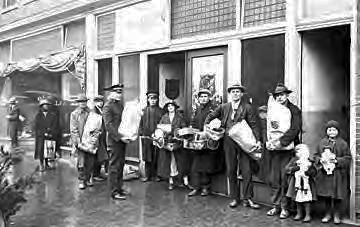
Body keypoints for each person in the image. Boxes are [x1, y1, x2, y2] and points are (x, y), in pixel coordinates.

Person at [204, 83, 260, 209]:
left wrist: (257, 140)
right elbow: (210, 116)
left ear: (241, 94)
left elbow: (254, 124)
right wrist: (208, 127)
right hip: (228, 142)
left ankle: (248, 198)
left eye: (238, 92)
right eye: (233, 91)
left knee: (247, 170)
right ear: (230, 94)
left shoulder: (247, 107)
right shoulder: (224, 107)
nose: (235, 93)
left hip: (244, 142)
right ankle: (234, 198)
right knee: (231, 170)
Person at [266, 83, 302, 219]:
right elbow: (268, 128)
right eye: (277, 96)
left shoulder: (294, 110)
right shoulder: (272, 110)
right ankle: (275, 205)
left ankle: (285, 208)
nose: (279, 98)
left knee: (285, 178)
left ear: (286, 95)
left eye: (281, 95)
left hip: (288, 150)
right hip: (275, 151)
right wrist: (269, 142)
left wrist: (282, 142)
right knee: (274, 178)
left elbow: (295, 128)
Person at [314, 120, 351, 224]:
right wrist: (320, 160)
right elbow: (315, 155)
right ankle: (327, 214)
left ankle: (336, 215)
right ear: (326, 131)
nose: (331, 132)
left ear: (338, 131)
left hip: (337, 174)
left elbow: (348, 158)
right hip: (325, 175)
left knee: (337, 196)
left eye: (334, 130)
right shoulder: (321, 143)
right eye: (329, 130)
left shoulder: (343, 144)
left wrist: (336, 161)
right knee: (327, 195)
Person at [103, 84, 131, 200]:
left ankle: (119, 187)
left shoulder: (119, 105)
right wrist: (119, 137)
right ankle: (114, 191)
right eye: (117, 92)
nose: (119, 94)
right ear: (111, 93)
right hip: (114, 140)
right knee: (114, 166)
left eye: (120, 92)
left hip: (122, 139)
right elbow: (108, 125)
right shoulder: (108, 106)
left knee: (121, 165)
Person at [188, 89, 218, 197]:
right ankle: (196, 187)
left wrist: (207, 133)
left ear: (209, 98)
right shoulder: (197, 110)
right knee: (196, 165)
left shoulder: (213, 110)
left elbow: (216, 124)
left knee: (206, 165)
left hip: (208, 140)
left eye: (205, 96)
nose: (203, 98)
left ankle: (206, 188)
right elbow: (194, 123)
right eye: (201, 97)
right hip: (197, 140)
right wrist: (191, 130)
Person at [157, 100, 187, 190]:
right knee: (169, 162)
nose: (170, 108)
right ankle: (171, 181)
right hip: (167, 142)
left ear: (175, 107)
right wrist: (162, 134)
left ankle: (180, 180)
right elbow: (160, 128)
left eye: (172, 106)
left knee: (179, 161)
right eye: (168, 106)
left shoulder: (180, 117)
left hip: (177, 142)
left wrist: (179, 133)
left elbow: (184, 127)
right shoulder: (164, 117)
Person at [285, 144, 317, 223]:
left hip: (307, 183)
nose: (298, 154)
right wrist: (294, 169)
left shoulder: (309, 162)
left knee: (307, 199)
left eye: (300, 152)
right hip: (296, 183)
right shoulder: (294, 161)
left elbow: (314, 171)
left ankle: (307, 214)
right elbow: (287, 169)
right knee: (297, 198)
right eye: (297, 152)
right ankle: (299, 213)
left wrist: (309, 172)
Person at [138, 91, 163, 182]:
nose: (153, 101)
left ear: (157, 100)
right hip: (146, 137)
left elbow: (162, 124)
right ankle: (147, 175)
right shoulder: (144, 111)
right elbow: (140, 123)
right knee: (147, 157)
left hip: (156, 137)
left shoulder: (160, 111)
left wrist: (159, 134)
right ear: (148, 99)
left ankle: (155, 175)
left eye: (154, 99)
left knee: (156, 156)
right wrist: (141, 132)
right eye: (151, 99)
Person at [70, 94, 93, 190]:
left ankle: (88, 178)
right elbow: (73, 129)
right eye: (80, 102)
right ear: (78, 103)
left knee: (90, 161)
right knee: (81, 162)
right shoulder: (75, 114)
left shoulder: (91, 113)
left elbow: (96, 125)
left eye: (84, 101)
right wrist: (77, 141)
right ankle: (81, 180)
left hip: (90, 140)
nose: (82, 103)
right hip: (80, 141)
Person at [34, 98, 60, 171]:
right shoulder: (38, 116)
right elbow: (37, 127)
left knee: (48, 150)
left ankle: (47, 164)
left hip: (50, 135)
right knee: (41, 150)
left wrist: (51, 132)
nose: (46, 106)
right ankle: (41, 164)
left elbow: (55, 125)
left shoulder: (53, 115)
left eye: (47, 105)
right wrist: (43, 133)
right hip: (41, 136)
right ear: (41, 106)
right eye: (45, 105)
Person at [92, 95, 108, 182]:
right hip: (97, 135)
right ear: (95, 102)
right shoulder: (94, 111)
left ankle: (97, 173)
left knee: (101, 153)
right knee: (96, 154)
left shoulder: (102, 110)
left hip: (103, 135)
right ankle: (95, 174)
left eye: (101, 101)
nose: (100, 103)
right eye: (98, 101)